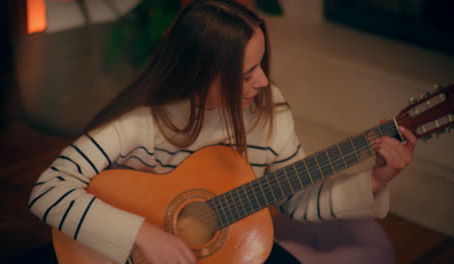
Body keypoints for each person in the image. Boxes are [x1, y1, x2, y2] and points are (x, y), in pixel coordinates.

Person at [28, 0, 417, 263]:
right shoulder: (140, 122)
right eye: (247, 74)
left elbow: (296, 201)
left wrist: (376, 179)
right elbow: (48, 191)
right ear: (200, 77)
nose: (263, 81)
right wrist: (141, 235)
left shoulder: (270, 111)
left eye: (262, 64)